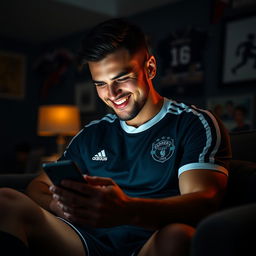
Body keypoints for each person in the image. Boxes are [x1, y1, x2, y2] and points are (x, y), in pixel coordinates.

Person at [0, 18, 231, 256]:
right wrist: (57, 205)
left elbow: (204, 201)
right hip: (86, 242)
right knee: (6, 200)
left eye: (121, 78)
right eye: (101, 83)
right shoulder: (92, 133)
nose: (112, 94)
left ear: (150, 68)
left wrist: (126, 211)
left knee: (178, 235)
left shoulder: (193, 123)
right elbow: (38, 186)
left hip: (149, 245)